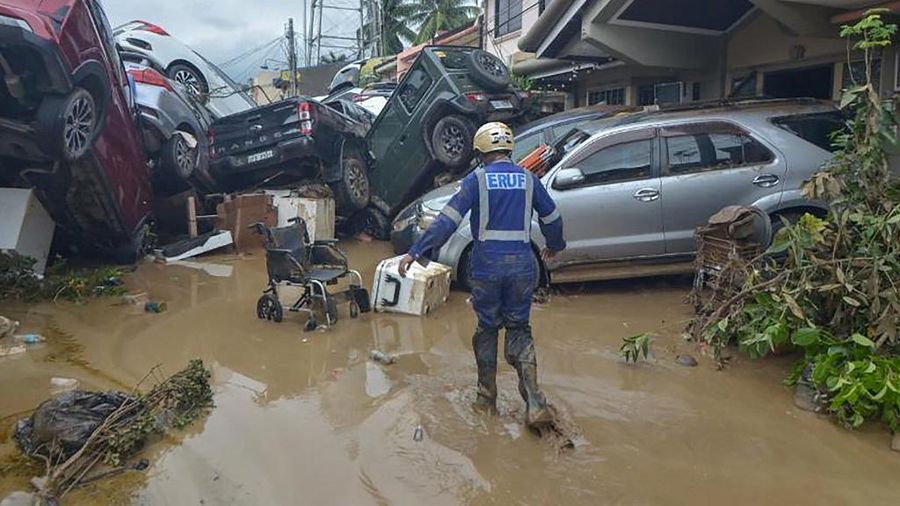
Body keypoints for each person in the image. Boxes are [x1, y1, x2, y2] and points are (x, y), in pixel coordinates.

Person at [398, 122, 566, 429]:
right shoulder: (529, 179)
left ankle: (486, 400)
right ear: (508, 149)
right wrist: (554, 246)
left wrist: (417, 251)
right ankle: (535, 403)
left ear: (480, 152)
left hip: (487, 267)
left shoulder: (476, 180)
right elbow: (552, 217)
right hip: (522, 266)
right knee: (520, 329)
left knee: (487, 329)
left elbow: (447, 220)